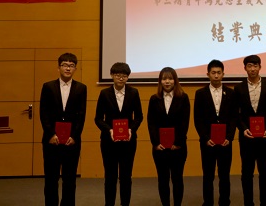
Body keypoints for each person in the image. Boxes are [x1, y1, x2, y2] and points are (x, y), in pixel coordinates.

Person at [39, 52, 87, 206]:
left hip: (71, 142)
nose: (68, 68)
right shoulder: (48, 87)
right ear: (58, 67)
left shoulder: (81, 88)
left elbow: (81, 115)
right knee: (51, 178)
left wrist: (74, 136)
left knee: (70, 179)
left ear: (75, 69)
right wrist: (50, 134)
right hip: (51, 140)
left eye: (71, 66)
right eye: (65, 65)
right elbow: (43, 113)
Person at [94, 62, 143, 206]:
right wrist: (109, 130)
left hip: (128, 141)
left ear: (128, 77)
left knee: (126, 176)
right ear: (112, 75)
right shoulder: (104, 93)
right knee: (110, 176)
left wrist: (131, 129)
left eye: (124, 76)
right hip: (109, 142)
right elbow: (98, 118)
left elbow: (139, 116)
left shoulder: (134, 93)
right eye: (118, 75)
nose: (121, 78)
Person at [233, 54, 266, 206]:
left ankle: (264, 203)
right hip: (247, 137)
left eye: (255, 66)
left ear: (260, 67)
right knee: (246, 173)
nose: (252, 69)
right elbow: (236, 113)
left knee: (265, 172)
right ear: (245, 68)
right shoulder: (238, 88)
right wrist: (243, 129)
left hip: (265, 137)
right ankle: (248, 203)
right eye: (249, 66)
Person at [194, 59, 238, 206]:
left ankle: (224, 201)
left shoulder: (231, 93)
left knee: (224, 175)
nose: (216, 75)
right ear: (208, 74)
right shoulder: (200, 93)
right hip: (208, 142)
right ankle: (208, 202)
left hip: (225, 142)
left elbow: (234, 117)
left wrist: (229, 137)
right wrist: (205, 138)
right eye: (213, 73)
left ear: (223, 74)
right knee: (208, 175)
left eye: (219, 73)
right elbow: (198, 119)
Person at [147, 67, 190, 206]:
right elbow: (151, 123)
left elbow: (184, 123)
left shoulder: (183, 98)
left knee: (177, 179)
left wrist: (177, 142)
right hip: (159, 148)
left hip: (178, 147)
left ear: (175, 80)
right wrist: (155, 143)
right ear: (160, 81)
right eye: (164, 79)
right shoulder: (154, 99)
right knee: (163, 179)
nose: (167, 81)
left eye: (170, 78)